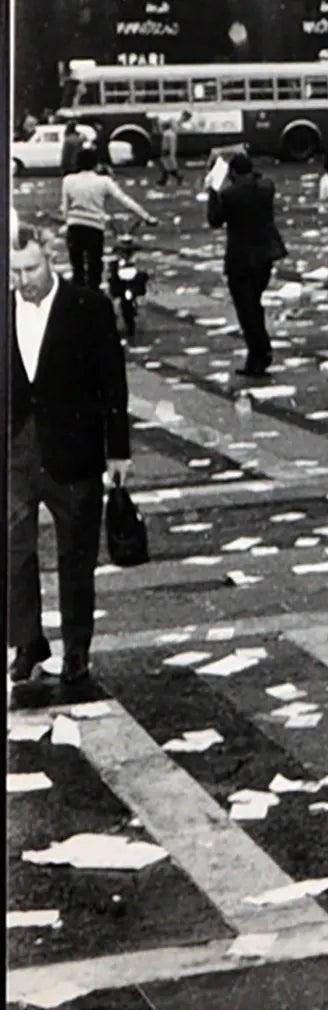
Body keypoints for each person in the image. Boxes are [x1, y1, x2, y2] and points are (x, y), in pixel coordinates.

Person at [8, 224, 131, 693]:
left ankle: (76, 647)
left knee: (75, 555)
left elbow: (112, 383)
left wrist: (117, 450)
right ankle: (27, 643)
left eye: (32, 268)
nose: (23, 280)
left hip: (74, 451)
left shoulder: (88, 308)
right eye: (15, 271)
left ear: (52, 259)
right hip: (17, 451)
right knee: (15, 553)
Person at [206, 151, 286, 378]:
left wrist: (212, 189)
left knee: (246, 308)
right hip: (265, 255)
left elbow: (214, 220)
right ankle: (259, 352)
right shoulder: (267, 187)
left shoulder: (230, 195)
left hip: (241, 258)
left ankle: (259, 352)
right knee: (254, 303)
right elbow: (258, 181)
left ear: (232, 173)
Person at [60, 147, 156, 290]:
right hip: (94, 228)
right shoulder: (103, 181)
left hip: (75, 227)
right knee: (95, 267)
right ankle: (95, 298)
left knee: (77, 269)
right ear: (96, 164)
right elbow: (124, 199)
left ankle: (78, 301)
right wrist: (146, 216)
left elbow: (65, 209)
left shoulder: (68, 180)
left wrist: (68, 219)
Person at [157, 112, 185, 187]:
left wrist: (170, 153)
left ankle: (178, 177)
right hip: (168, 151)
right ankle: (164, 180)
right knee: (166, 166)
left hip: (167, 151)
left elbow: (168, 144)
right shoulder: (171, 133)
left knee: (168, 167)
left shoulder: (167, 134)